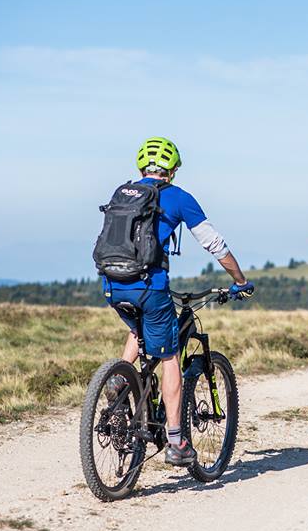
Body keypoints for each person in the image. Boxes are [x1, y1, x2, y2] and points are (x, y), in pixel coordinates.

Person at [99, 137, 254, 467]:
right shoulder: (179, 198)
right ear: (172, 170)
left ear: (142, 167)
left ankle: (118, 379)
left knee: (138, 329)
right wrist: (240, 281)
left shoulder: (122, 193)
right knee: (169, 356)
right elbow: (215, 245)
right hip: (149, 286)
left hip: (112, 284)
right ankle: (176, 441)